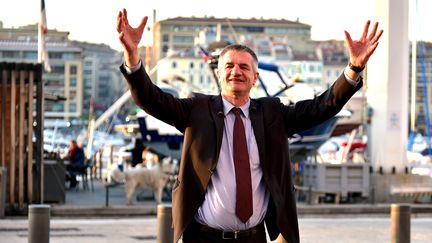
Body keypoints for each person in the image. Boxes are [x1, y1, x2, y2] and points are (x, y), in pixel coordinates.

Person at [117, 8, 383, 243]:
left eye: (244, 67)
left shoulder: (272, 113)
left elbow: (321, 106)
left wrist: (353, 68)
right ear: (219, 74)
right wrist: (132, 56)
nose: (236, 71)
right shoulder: (196, 110)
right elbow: (152, 99)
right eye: (229, 66)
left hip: (254, 238)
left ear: (255, 77)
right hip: (202, 237)